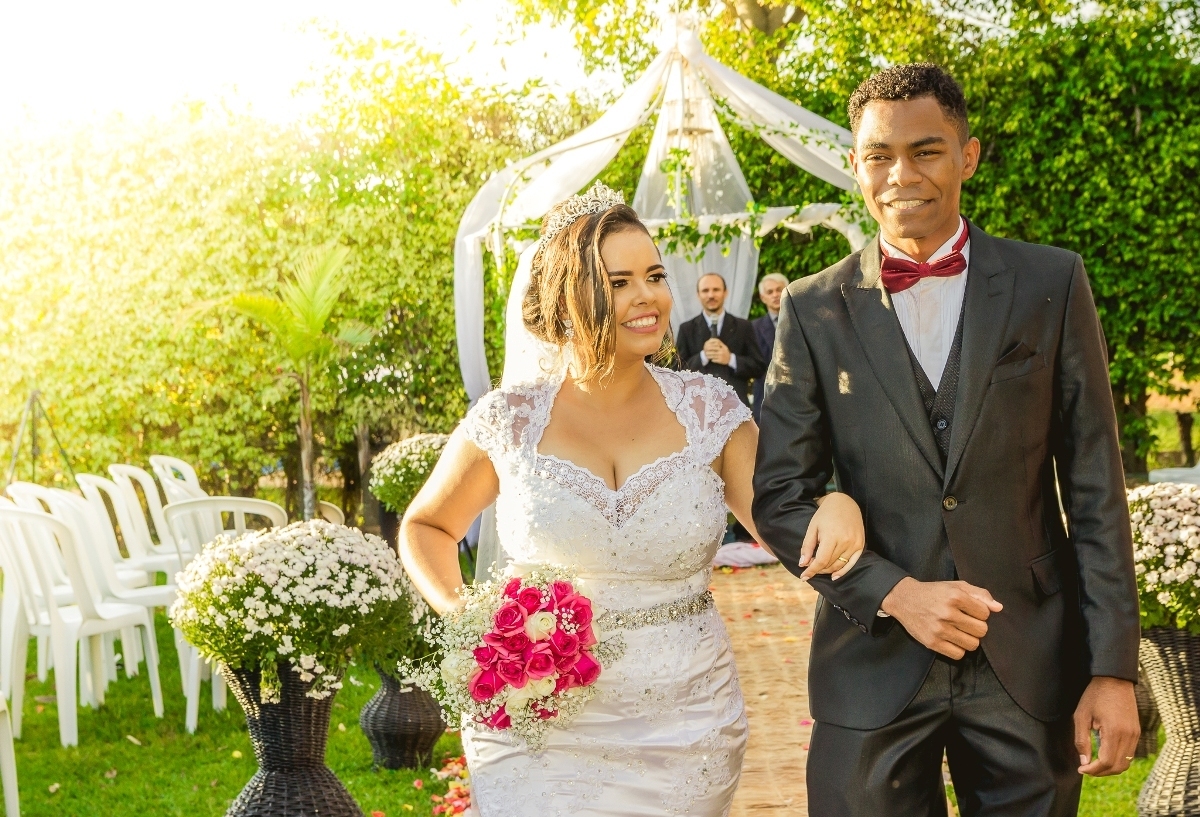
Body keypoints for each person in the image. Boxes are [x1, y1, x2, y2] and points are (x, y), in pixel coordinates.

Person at [399, 183, 866, 816]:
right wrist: (469, 615)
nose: (647, 296)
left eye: (654, 276)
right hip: (537, 725)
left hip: (685, 726)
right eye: (618, 283)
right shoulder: (509, 420)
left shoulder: (709, 413)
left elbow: (785, 523)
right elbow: (426, 526)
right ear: (568, 299)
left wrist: (838, 507)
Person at [752, 64, 1140, 816]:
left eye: (925, 151)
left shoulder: (1051, 282)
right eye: (879, 155)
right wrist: (896, 594)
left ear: (968, 156)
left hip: (1027, 661)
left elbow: (1095, 487)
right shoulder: (811, 309)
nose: (901, 175)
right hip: (870, 661)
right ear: (856, 164)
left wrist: (1112, 668)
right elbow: (780, 498)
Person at [674, 273, 766, 406]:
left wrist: (731, 359)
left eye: (716, 290)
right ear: (698, 295)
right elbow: (677, 371)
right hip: (698, 407)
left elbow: (759, 367)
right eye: (705, 290)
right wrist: (703, 356)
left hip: (736, 407)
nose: (711, 295)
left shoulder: (743, 326)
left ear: (725, 292)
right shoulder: (686, 329)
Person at [751, 272, 787, 421]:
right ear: (762, 297)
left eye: (779, 289)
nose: (775, 295)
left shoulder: (804, 322)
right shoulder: (753, 328)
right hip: (766, 400)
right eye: (770, 292)